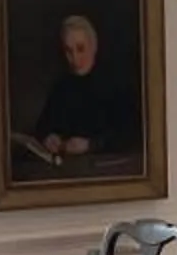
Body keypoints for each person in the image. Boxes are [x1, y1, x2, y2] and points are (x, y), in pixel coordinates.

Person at [25, 11, 138, 167]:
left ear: (93, 47)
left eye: (80, 49)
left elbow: (130, 133)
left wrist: (91, 145)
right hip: (65, 168)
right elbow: (42, 126)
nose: (75, 58)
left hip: (104, 170)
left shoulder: (115, 84)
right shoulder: (61, 87)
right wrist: (49, 137)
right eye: (68, 51)